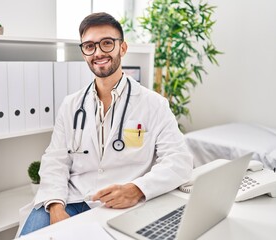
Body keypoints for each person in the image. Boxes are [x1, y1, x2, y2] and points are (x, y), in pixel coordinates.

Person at [19, 12, 193, 236]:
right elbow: (55, 160)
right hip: (70, 198)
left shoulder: (154, 104)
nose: (98, 52)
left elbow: (179, 161)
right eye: (89, 46)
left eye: (107, 43)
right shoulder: (71, 105)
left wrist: (137, 189)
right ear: (84, 53)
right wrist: (55, 206)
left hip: (121, 203)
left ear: (122, 48)